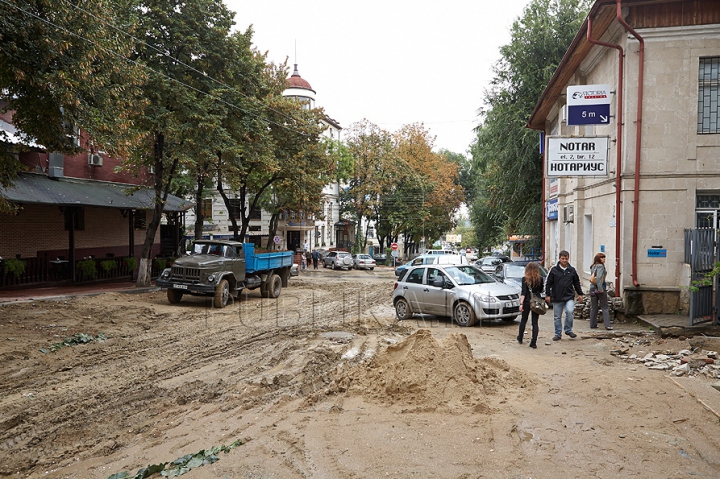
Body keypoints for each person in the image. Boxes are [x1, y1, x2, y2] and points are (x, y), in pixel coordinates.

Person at [544, 250, 583, 341]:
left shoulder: (572, 270)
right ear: (559, 259)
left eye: (566, 258)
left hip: (569, 296)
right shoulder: (554, 270)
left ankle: (568, 330)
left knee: (570, 312)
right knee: (557, 316)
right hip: (557, 297)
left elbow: (576, 283)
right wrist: (547, 295)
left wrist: (580, 294)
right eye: (563, 258)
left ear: (568, 258)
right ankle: (558, 334)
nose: (564, 260)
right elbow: (548, 283)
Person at [517, 262, 544, 349]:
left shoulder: (524, 279)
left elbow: (523, 293)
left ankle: (520, 338)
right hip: (536, 302)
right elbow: (541, 290)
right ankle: (533, 342)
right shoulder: (540, 279)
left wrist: (521, 304)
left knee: (523, 320)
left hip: (527, 302)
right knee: (535, 323)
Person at [589, 253, 612, 330]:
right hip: (600, 289)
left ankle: (592, 324)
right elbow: (599, 277)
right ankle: (607, 325)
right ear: (599, 259)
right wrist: (600, 288)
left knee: (594, 306)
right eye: (602, 258)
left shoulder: (593, 266)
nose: (604, 259)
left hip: (592, 288)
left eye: (604, 258)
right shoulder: (600, 266)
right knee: (604, 307)